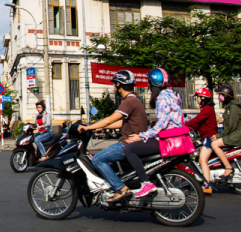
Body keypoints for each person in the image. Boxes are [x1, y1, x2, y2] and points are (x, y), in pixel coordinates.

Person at [78, 70, 148, 204]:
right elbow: (122, 122)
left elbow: (110, 119)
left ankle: (120, 188)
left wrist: (87, 127)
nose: (114, 87)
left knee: (97, 159)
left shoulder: (128, 101)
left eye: (114, 85)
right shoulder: (136, 100)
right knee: (110, 155)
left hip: (127, 144)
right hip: (134, 142)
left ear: (118, 85)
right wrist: (99, 127)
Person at [123, 68, 184, 198]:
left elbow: (161, 125)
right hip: (176, 137)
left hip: (168, 140)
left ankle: (146, 183)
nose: (148, 85)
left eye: (148, 82)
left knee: (129, 149)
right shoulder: (173, 95)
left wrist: (142, 135)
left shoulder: (161, 98)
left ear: (153, 83)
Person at [210, 84, 241, 184]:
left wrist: (219, 135)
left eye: (220, 95)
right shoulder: (229, 107)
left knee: (214, 144)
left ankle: (228, 167)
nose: (219, 97)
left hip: (238, 134)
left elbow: (231, 126)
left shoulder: (233, 107)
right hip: (234, 133)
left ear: (226, 95)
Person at [186, 87, 218, 193]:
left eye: (198, 98)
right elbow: (198, 123)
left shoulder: (207, 108)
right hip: (205, 136)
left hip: (209, 137)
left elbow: (198, 119)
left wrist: (184, 124)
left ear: (203, 98)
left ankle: (207, 185)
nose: (197, 100)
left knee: (202, 160)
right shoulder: (205, 108)